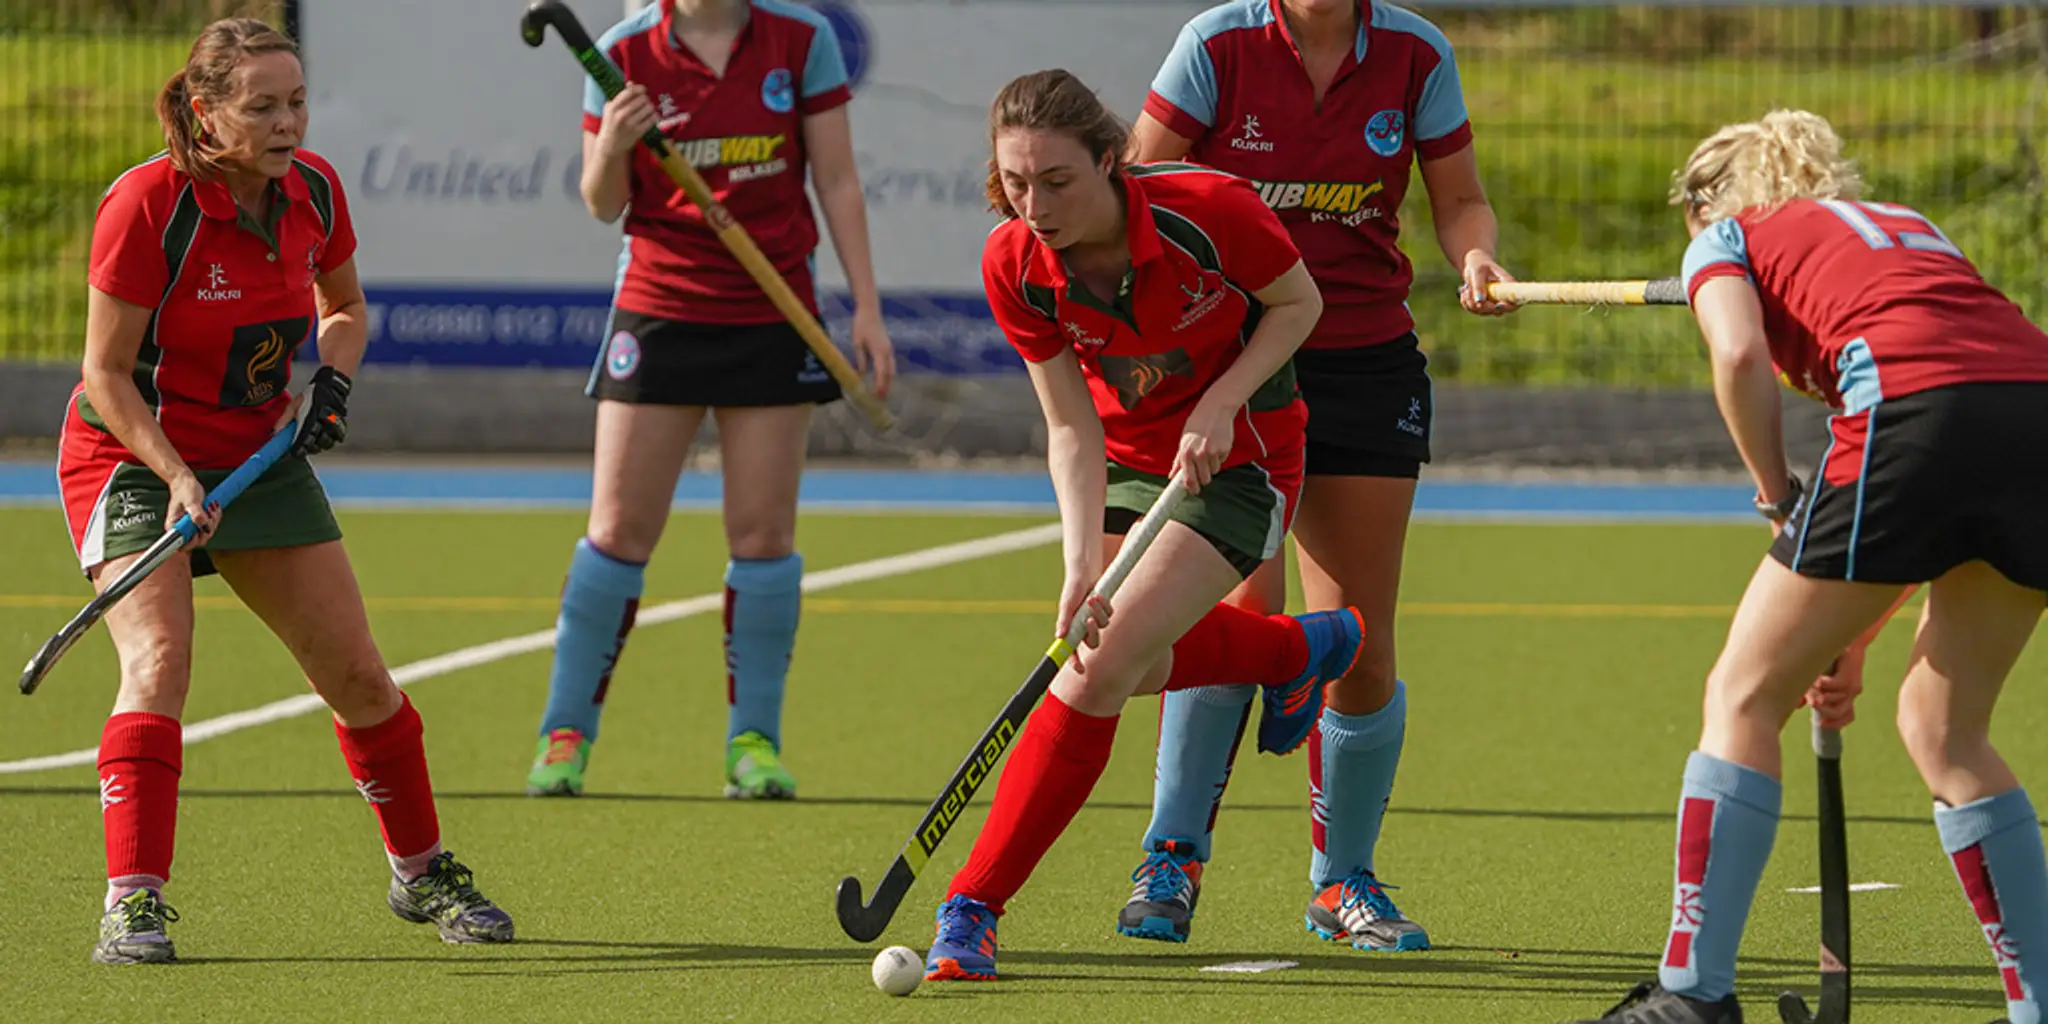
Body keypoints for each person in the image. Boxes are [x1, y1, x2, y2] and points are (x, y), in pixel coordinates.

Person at [1574, 109, 2048, 1024]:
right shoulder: (1912, 226)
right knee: (1945, 729)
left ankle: (1693, 994)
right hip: (2037, 420)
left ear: (1710, 199)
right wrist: (1855, 637)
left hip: (1912, 416)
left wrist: (1775, 495)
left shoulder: (1724, 237)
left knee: (1744, 694)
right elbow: (1950, 471)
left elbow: (1741, 352)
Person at [65, 18, 513, 964]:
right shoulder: (148, 205)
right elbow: (105, 375)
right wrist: (178, 474)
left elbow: (343, 309)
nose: (287, 122)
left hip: (258, 458)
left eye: (297, 101)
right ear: (205, 109)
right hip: (133, 458)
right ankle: (132, 902)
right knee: (158, 663)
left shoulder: (312, 192)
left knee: (356, 673)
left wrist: (330, 387)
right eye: (262, 105)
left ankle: (421, 869)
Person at [920, 68, 1367, 983]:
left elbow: (1299, 305)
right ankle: (1291, 653)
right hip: (1127, 463)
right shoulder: (1014, 263)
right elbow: (1068, 426)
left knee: (1095, 669)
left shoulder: (1210, 211)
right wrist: (1078, 563)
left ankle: (971, 906)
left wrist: (1223, 399)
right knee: (1121, 649)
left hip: (1242, 460)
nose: (1033, 204)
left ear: (1111, 161)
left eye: (1057, 181)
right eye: (1015, 182)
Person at [1115, 0, 1517, 951]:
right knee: (1235, 625)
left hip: (1365, 363)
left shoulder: (1417, 53)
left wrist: (1477, 254)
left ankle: (1342, 885)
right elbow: (1137, 182)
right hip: (1235, 368)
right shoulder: (1218, 44)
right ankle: (1171, 857)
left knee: (1360, 641)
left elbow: (1459, 199)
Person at [524, 0, 895, 800]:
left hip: (773, 310)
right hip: (661, 309)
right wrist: (616, 142)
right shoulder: (622, 52)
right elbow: (602, 201)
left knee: (763, 535)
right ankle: (566, 734)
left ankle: (752, 743)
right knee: (618, 530)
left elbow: (835, 178)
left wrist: (865, 306)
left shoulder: (802, 40)